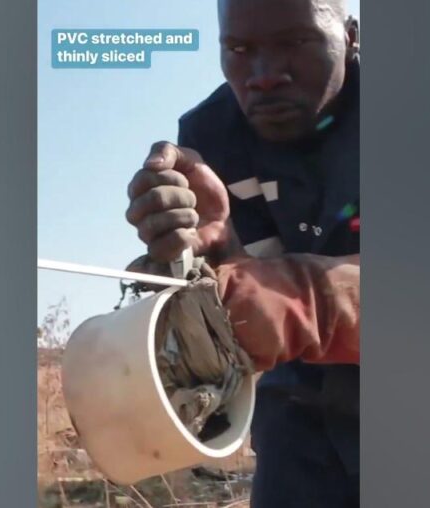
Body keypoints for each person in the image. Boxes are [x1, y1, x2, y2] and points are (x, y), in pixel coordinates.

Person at [125, 0, 360, 506]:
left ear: (351, 37)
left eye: (294, 43)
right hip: (298, 414)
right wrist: (209, 258)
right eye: (239, 49)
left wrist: (306, 301)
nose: (264, 76)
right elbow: (247, 288)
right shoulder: (213, 136)